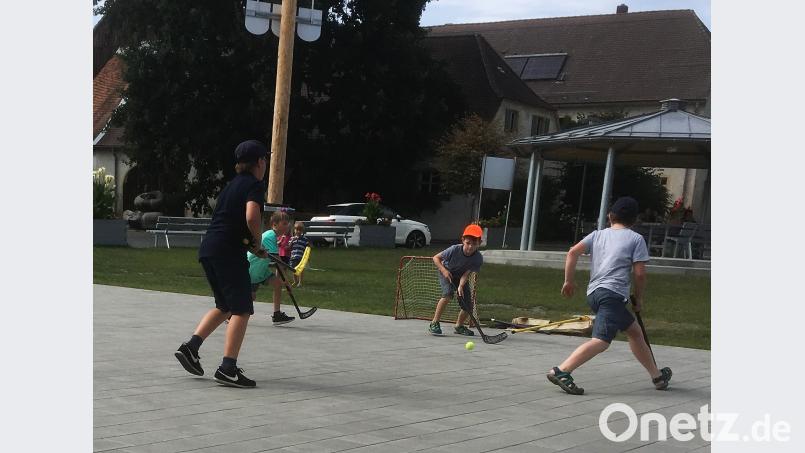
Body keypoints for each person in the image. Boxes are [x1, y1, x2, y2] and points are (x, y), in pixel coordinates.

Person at [547, 196, 672, 395]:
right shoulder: (635, 238)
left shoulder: (597, 235)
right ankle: (561, 371)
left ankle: (657, 376)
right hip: (612, 296)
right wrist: (639, 299)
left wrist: (568, 281)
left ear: (610, 216)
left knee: (635, 332)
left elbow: (572, 252)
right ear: (634, 220)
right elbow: (639, 274)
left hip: (595, 293)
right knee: (602, 341)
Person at [174, 140, 269, 389]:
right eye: (265, 160)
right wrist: (258, 244)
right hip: (227, 252)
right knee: (242, 309)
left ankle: (191, 348)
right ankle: (228, 368)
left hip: (210, 249)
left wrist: (251, 245)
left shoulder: (231, 186)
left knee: (225, 305)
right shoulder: (254, 185)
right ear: (260, 162)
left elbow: (231, 223)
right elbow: (251, 216)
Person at [428, 224, 484, 336]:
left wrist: (460, 286)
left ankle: (459, 326)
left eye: (474, 244)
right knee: (448, 294)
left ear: (479, 243)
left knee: (467, 304)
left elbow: (466, 274)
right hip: (446, 272)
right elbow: (436, 258)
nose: (470, 247)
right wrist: (444, 271)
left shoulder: (478, 258)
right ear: (463, 240)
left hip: (460, 276)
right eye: (468, 243)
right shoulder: (454, 249)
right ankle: (434, 322)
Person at [247, 211, 296, 325]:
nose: (287, 225)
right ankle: (231, 314)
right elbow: (278, 261)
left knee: (277, 283)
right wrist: (287, 281)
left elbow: (275, 263)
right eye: (284, 223)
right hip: (252, 271)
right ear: (274, 224)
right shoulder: (270, 236)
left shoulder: (273, 237)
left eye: (288, 223)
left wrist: (283, 280)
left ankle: (277, 315)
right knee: (249, 299)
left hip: (261, 271)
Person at [289, 221, 311, 287]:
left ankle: (300, 282)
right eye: (296, 230)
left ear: (302, 231)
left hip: (301, 257)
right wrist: (292, 241)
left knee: (301, 269)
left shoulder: (305, 239)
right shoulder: (292, 238)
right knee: (293, 269)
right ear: (294, 230)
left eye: (300, 230)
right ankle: (295, 281)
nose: (298, 231)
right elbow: (289, 247)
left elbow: (307, 248)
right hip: (293, 257)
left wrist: (307, 257)